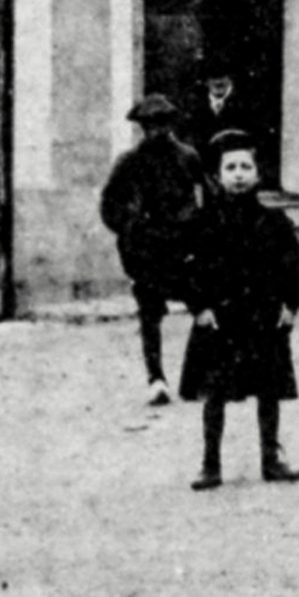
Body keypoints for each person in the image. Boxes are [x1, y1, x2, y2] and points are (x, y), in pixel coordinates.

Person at [178, 129, 299, 490]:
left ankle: (271, 460)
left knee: (268, 391)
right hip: (220, 322)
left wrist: (291, 306)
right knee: (215, 393)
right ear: (218, 175)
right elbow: (188, 270)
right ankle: (210, 465)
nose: (238, 174)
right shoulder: (204, 223)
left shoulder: (275, 222)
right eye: (230, 167)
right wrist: (199, 307)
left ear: (257, 174)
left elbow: (297, 270)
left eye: (245, 166)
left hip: (263, 319)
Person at [99, 94, 205, 407]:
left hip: (184, 246)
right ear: (142, 128)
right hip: (146, 251)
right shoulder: (129, 163)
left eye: (162, 124)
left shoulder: (188, 157)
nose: (157, 131)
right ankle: (156, 379)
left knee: (203, 307)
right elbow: (109, 206)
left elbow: (207, 196)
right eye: (149, 125)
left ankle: (194, 379)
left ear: (172, 124)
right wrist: (129, 229)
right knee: (150, 314)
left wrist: (200, 228)